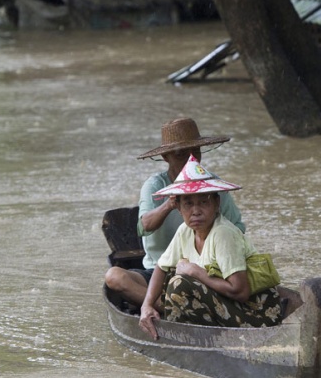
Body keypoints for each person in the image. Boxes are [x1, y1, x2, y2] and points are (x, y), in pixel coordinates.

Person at [138, 156, 282, 340]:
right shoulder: (185, 231)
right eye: (188, 204)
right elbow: (161, 267)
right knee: (171, 279)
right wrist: (146, 306)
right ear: (179, 208)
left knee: (179, 283)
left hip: (256, 315)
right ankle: (185, 335)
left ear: (216, 204)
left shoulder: (222, 233)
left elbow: (240, 291)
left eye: (204, 202)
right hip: (226, 306)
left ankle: (191, 339)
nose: (196, 211)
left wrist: (196, 272)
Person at [104, 118, 245, 306]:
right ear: (166, 157)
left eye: (195, 153)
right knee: (114, 276)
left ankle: (174, 305)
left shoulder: (212, 186)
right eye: (181, 155)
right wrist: (171, 202)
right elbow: (144, 227)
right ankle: (166, 306)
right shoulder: (155, 185)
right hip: (158, 271)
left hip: (204, 271)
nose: (190, 161)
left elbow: (237, 230)